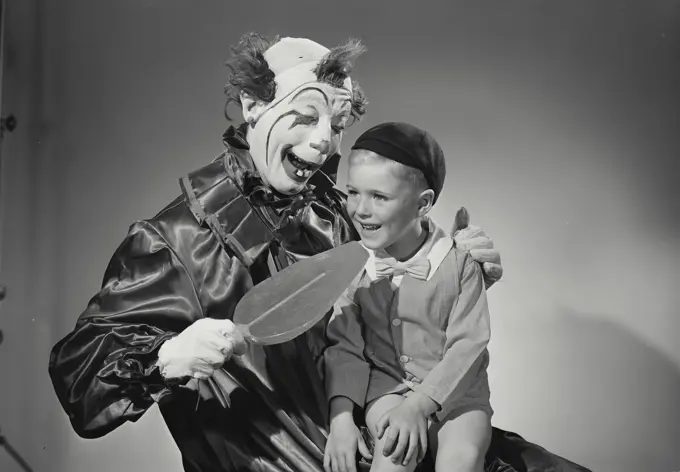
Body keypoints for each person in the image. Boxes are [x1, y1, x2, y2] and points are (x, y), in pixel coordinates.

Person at [48, 32, 589, 472]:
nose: (326, 141)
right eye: (306, 117)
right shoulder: (179, 239)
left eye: (336, 124)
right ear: (254, 106)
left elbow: (393, 290)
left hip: (391, 430)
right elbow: (80, 381)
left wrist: (454, 267)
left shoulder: (331, 201)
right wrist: (166, 359)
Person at [324, 123, 492, 472]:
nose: (360, 210)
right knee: (392, 454)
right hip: (386, 392)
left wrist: (420, 405)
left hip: (458, 399)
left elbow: (468, 346)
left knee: (461, 460)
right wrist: (341, 420)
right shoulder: (352, 266)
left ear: (423, 204)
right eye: (353, 192)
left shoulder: (459, 265)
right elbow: (345, 347)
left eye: (379, 197)